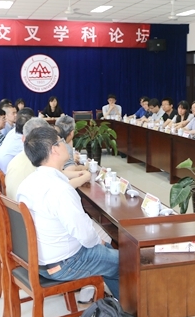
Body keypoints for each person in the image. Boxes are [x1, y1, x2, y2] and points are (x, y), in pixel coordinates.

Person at [16, 126, 119, 299]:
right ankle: (128, 311)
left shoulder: (27, 183)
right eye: (61, 141)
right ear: (54, 149)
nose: (65, 144)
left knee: (109, 252)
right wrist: (98, 242)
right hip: (65, 263)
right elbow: (86, 237)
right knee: (127, 263)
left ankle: (117, 305)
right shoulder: (60, 189)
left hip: (40, 260)